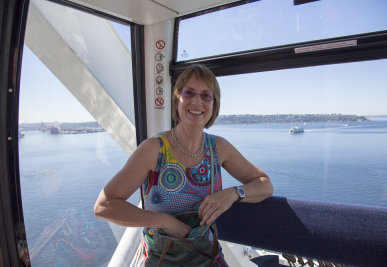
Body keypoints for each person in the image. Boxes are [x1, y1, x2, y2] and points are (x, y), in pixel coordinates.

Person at [94, 64, 274, 266]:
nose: (197, 101)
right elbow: (104, 205)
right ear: (176, 100)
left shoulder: (218, 148)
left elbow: (265, 184)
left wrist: (233, 194)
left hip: (207, 257)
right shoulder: (154, 150)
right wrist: (163, 221)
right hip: (161, 259)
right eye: (189, 93)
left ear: (214, 104)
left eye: (206, 95)